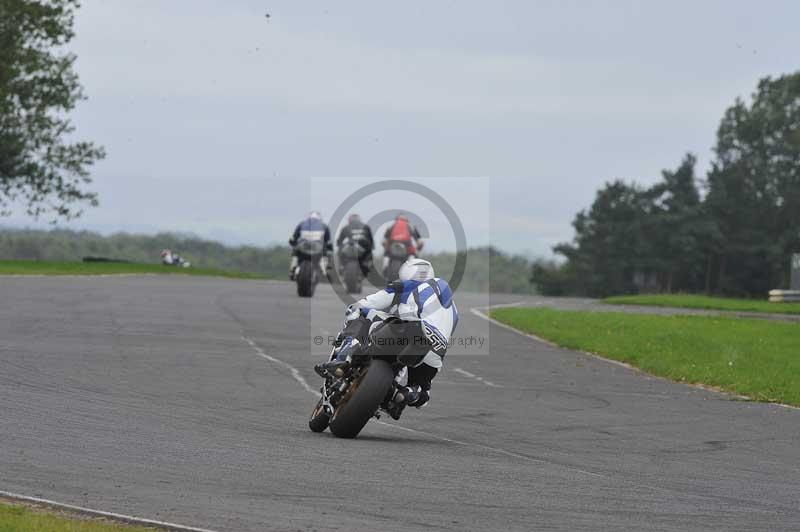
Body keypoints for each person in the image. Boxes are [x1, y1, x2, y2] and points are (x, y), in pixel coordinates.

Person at [318, 258, 458, 420]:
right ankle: (404, 395)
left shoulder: (407, 285)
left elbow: (371, 302)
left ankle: (343, 358)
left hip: (409, 330)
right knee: (422, 393)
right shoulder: (454, 310)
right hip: (436, 350)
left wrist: (355, 307)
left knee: (361, 313)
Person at [288, 211, 332, 280]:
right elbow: (328, 242)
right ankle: (325, 269)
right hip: (317, 248)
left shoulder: (301, 224)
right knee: (325, 251)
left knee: (295, 251)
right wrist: (329, 248)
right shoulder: (324, 226)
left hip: (303, 246)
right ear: (320, 219)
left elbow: (293, 238)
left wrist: (293, 243)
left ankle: (292, 269)